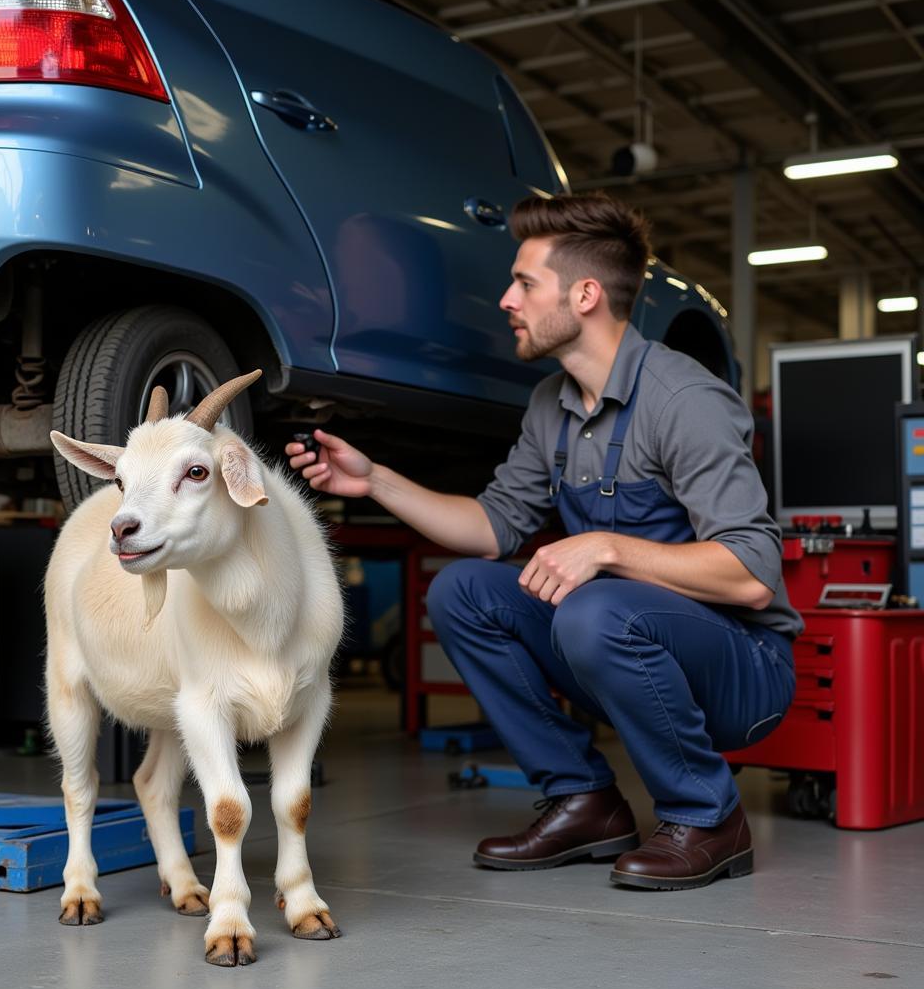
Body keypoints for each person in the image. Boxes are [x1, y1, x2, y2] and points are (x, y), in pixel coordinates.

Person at [285, 193, 801, 891]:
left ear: (585, 294)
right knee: (463, 591)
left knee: (596, 606)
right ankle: (584, 801)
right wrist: (375, 480)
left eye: (525, 282)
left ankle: (709, 817)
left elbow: (751, 576)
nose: (506, 299)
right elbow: (492, 528)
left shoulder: (684, 400)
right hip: (623, 644)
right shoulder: (550, 405)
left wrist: (607, 549)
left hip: (743, 669)